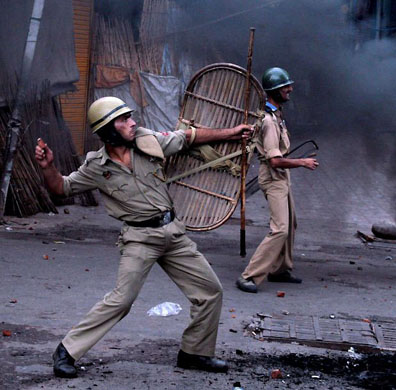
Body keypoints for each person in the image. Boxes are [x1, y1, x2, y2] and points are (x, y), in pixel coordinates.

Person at [35, 96, 253, 378]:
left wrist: (232, 132)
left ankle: (194, 353)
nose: (132, 122)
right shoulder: (97, 168)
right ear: (108, 130)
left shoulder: (149, 141)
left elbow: (188, 137)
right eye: (123, 119)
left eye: (130, 116)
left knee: (210, 291)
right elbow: (61, 188)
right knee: (121, 300)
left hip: (174, 234)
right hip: (139, 239)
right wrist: (47, 167)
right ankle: (66, 351)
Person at [236, 67, 318, 294]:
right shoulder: (270, 122)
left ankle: (280, 269)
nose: (290, 90)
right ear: (274, 91)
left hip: (281, 177)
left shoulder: (276, 114)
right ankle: (249, 276)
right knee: (280, 229)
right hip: (273, 177)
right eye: (285, 87)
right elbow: (274, 161)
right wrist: (302, 163)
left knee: (291, 223)